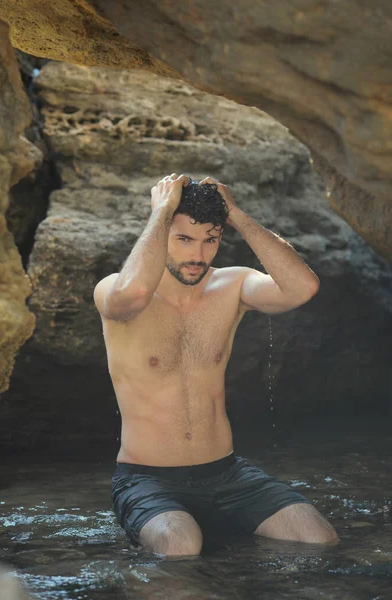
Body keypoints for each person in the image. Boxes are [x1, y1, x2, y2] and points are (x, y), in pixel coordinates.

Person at [93, 173, 338, 556]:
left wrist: (236, 215)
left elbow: (301, 288)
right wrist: (161, 211)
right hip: (148, 479)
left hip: (227, 474)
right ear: (162, 234)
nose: (198, 255)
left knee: (318, 538)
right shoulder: (115, 291)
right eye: (184, 238)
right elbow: (136, 290)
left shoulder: (233, 285)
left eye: (210, 239)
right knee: (180, 547)